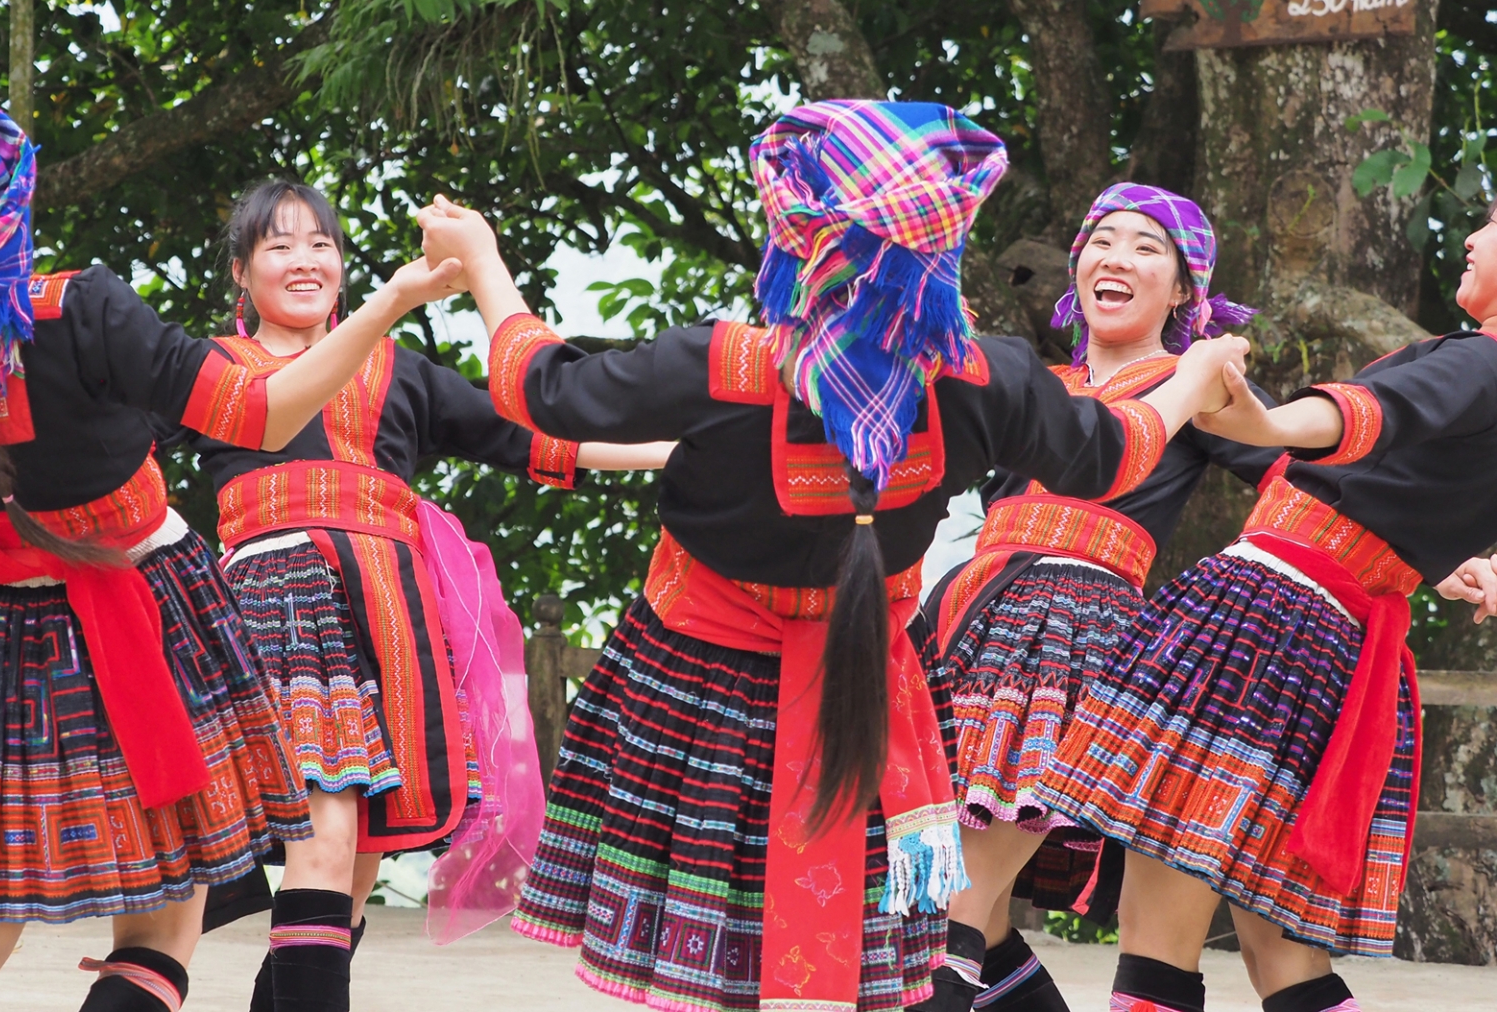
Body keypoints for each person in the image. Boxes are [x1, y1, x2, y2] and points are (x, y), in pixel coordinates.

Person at [417, 100, 1247, 1012]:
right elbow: (1115, 454)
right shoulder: (983, 379)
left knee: (719, 954)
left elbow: (538, 388)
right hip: (872, 688)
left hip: (696, 687)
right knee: (875, 950)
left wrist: (484, 260)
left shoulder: (721, 366)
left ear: (798, 237)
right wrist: (1192, 379)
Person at [0, 89, 465, 1012]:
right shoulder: (78, 307)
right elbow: (261, 414)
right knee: (160, 927)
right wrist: (391, 300)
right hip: (146, 617)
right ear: (1, 202)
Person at [182, 176, 672, 1012]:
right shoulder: (209, 370)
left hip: (392, 616)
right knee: (327, 843)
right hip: (281, 605)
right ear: (240, 271)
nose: (304, 261)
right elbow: (103, 451)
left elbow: (535, 434)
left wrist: (685, 453)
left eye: (321, 244)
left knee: (354, 864)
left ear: (342, 265)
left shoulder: (398, 370)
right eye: (279, 245)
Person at [1034, 200, 1497, 1012]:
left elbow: (1362, 417)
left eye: (1493, 222)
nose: (1471, 235)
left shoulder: (1481, 361)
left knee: (1157, 934)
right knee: (1282, 957)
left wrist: (1264, 416)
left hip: (1267, 621)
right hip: (1330, 643)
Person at [913, 184, 1278, 1012]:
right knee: (974, 914)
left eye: (1147, 247)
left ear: (1184, 290)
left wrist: (1439, 558)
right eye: (1103, 241)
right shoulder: (1035, 383)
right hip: (963, 629)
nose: (1117, 257)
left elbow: (1308, 477)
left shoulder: (1194, 386)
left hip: (1067, 639)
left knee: (948, 900)